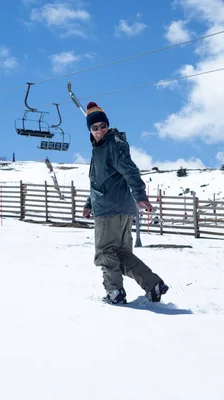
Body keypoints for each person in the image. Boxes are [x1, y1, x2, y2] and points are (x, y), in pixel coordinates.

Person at [82, 101, 169, 305]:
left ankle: (114, 292)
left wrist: (140, 196)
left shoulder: (113, 145)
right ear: (90, 130)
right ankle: (153, 284)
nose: (100, 130)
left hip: (110, 210)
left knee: (105, 252)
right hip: (113, 207)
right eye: (95, 128)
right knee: (120, 255)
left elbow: (130, 171)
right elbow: (98, 181)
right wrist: (89, 203)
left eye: (103, 126)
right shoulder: (100, 149)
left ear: (108, 126)